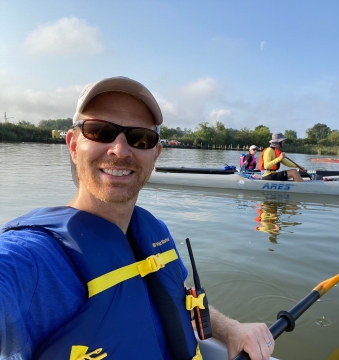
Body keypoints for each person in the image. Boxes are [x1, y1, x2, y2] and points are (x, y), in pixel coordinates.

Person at [0, 76, 274, 360]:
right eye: (99, 131)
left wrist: (230, 329)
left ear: (155, 153)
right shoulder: (29, 258)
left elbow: (177, 300)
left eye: (140, 138)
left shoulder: (155, 234)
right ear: (72, 144)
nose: (119, 150)